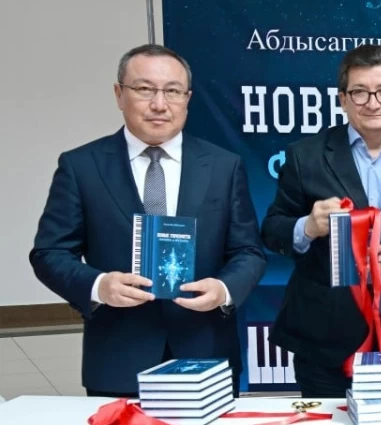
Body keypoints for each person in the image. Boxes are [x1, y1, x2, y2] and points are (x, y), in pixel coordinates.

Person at [29, 44, 266, 398]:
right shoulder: (81, 166)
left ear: (187, 99)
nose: (159, 104)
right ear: (119, 94)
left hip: (205, 353)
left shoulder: (223, 166)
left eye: (172, 91)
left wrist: (224, 289)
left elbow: (248, 251)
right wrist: (99, 286)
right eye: (144, 89)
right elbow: (49, 253)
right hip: (118, 357)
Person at [260, 45, 381, 397]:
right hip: (324, 336)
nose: (373, 103)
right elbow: (272, 230)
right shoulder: (305, 155)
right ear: (343, 100)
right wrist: (307, 227)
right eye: (360, 92)